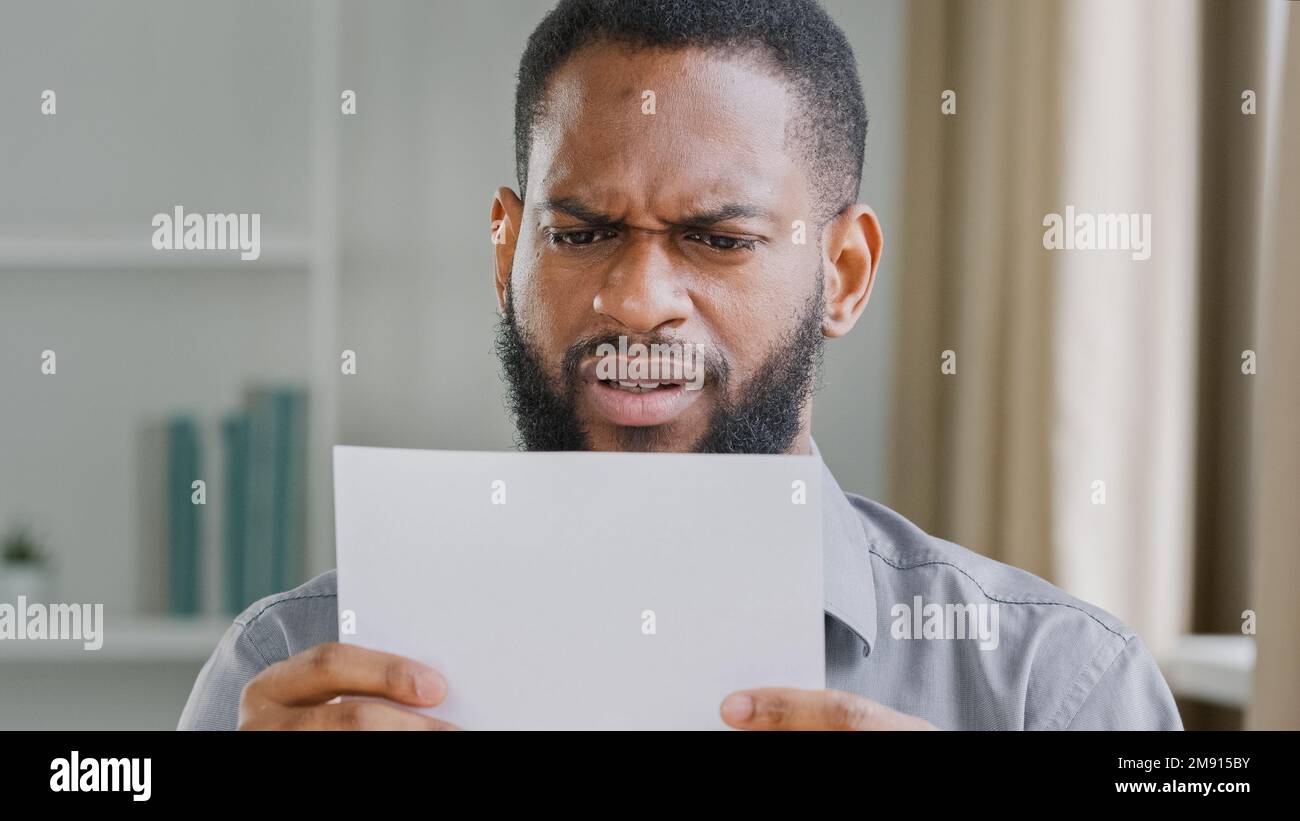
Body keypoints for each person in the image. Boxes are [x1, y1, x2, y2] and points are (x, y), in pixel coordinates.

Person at [179, 0, 1182, 731]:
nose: (636, 298)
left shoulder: (1055, 684)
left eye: (716, 237)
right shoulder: (289, 672)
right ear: (507, 252)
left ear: (843, 272)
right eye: (579, 232)